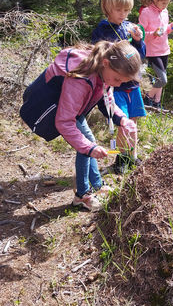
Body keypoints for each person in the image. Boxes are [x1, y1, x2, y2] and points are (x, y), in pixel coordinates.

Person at [21, 40, 141, 211]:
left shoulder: (104, 68)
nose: (118, 84)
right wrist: (89, 148)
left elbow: (106, 100)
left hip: (69, 108)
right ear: (106, 63)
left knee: (88, 141)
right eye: (117, 79)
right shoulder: (81, 78)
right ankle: (82, 195)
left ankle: (97, 186)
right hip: (49, 109)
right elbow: (64, 121)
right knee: (86, 145)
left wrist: (122, 120)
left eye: (122, 81)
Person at [92, 0, 146, 174]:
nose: (123, 14)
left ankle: (132, 155)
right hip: (116, 88)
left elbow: (140, 56)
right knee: (123, 122)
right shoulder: (102, 30)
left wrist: (139, 41)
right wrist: (117, 49)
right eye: (118, 9)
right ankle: (121, 159)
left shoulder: (129, 27)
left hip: (132, 85)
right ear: (107, 7)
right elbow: (100, 58)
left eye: (126, 10)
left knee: (133, 121)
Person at [138, 0, 173, 109]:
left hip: (164, 49)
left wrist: (171, 27)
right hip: (152, 51)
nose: (165, 5)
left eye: (167, 3)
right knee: (163, 79)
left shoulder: (165, 12)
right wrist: (153, 34)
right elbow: (140, 34)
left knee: (159, 80)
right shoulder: (146, 12)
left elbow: (165, 30)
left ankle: (157, 103)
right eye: (163, 3)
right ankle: (147, 98)